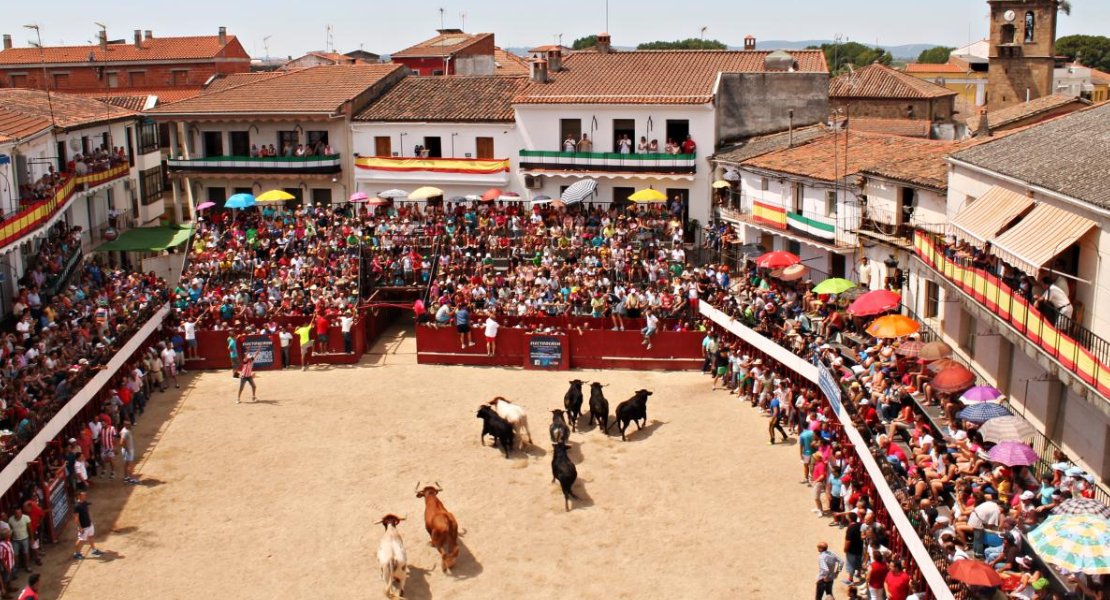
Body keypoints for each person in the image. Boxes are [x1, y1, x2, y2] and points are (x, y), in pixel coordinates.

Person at [72, 491, 102, 560]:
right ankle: (77, 554)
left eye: (85, 495)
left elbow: (87, 508)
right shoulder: (77, 506)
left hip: (89, 524)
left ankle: (93, 550)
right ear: (78, 496)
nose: (85, 496)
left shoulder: (85, 503)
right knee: (80, 540)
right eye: (83, 495)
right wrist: (79, 528)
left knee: (91, 536)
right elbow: (76, 518)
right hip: (83, 527)